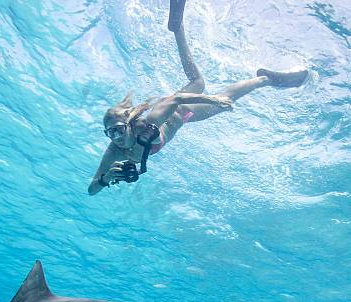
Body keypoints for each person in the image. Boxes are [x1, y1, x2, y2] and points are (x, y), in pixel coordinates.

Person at [88, 0, 308, 195]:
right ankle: (177, 28)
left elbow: (176, 100)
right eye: (110, 132)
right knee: (198, 82)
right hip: (181, 113)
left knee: (219, 95)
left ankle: (265, 80)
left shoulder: (147, 123)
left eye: (118, 128)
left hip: (182, 112)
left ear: (128, 125)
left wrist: (213, 100)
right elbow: (91, 189)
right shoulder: (114, 151)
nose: (115, 136)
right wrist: (106, 179)